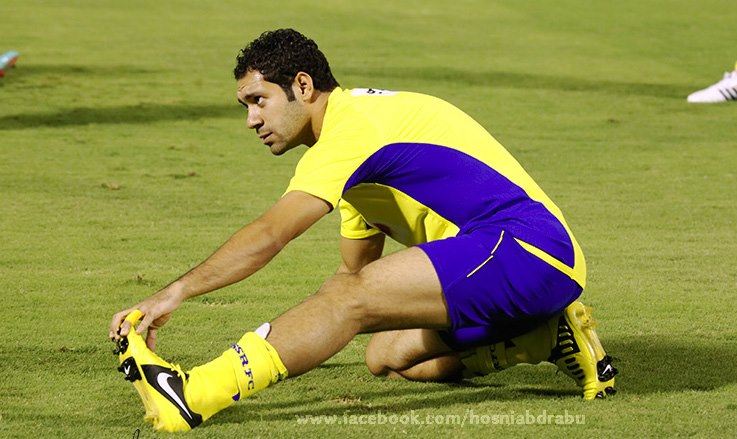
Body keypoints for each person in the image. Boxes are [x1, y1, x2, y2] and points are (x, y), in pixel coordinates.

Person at [109, 29, 617, 432]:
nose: (251, 120)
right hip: (503, 263)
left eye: (259, 100)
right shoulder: (354, 157)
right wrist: (291, 333)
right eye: (246, 106)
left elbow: (271, 235)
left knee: (351, 302)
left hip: (528, 250)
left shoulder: (353, 129)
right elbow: (352, 274)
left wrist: (175, 292)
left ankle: (194, 394)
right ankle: (543, 339)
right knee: (387, 358)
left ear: (302, 86)